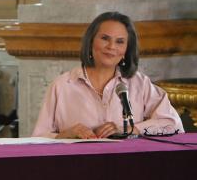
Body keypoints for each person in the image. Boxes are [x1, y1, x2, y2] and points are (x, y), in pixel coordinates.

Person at [32, 11, 184, 139]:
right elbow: (37, 138)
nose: (111, 47)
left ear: (126, 50)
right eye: (105, 38)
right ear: (91, 42)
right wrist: (66, 134)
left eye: (120, 42)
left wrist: (130, 129)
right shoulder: (62, 85)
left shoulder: (139, 83)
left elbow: (173, 123)